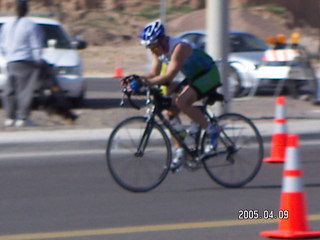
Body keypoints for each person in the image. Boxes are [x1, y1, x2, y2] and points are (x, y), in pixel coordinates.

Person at [124, 20, 221, 168]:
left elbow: (168, 76)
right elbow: (154, 73)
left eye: (154, 46)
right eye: (149, 48)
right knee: (169, 113)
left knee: (182, 101)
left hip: (209, 74)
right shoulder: (158, 50)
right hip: (194, 77)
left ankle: (212, 130)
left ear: (162, 40)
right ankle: (182, 150)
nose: (153, 51)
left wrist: (145, 83)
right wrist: (137, 78)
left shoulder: (179, 47)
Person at [0, 0, 44, 127]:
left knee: (10, 90)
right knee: (24, 91)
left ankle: (10, 117)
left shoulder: (8, 24)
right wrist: (38, 60)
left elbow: (2, 43)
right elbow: (35, 43)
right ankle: (23, 118)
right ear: (27, 9)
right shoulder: (30, 25)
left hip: (11, 60)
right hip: (26, 60)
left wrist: (7, 56)